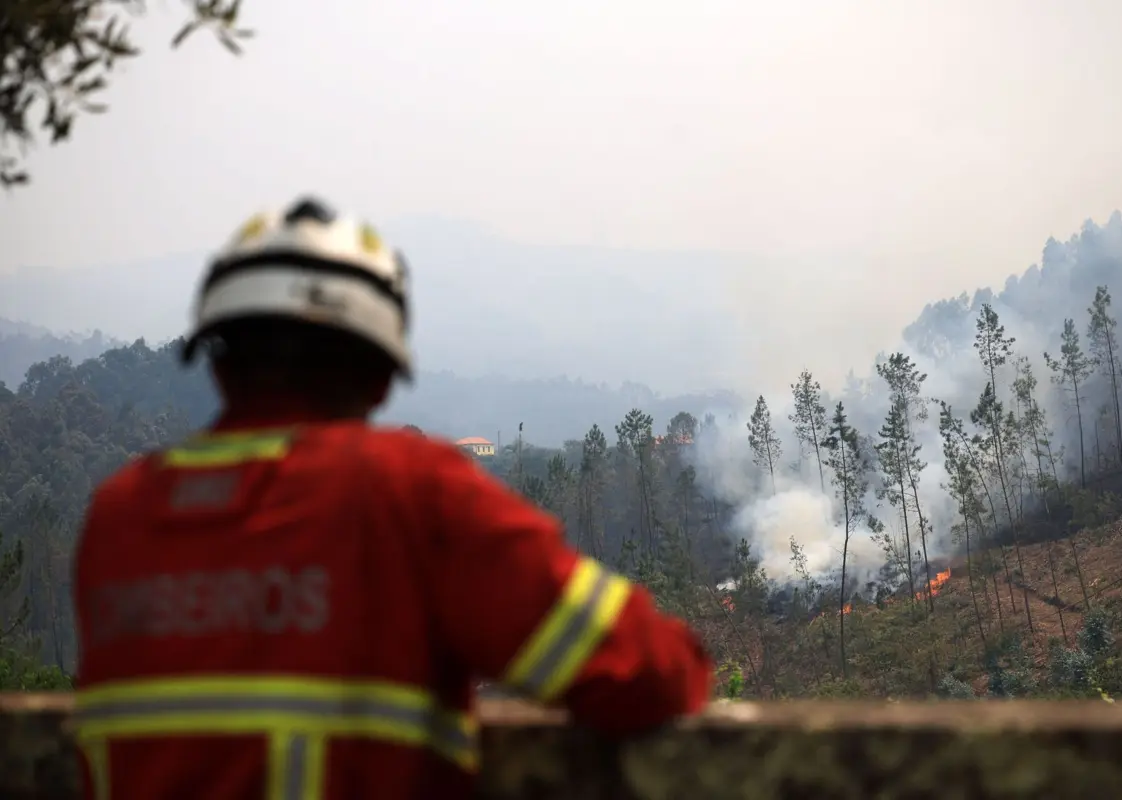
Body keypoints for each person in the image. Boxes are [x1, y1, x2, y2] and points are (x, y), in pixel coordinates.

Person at [71, 197, 714, 800]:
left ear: (217, 362)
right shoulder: (407, 491)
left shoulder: (119, 514)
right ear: (381, 376)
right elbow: (648, 674)